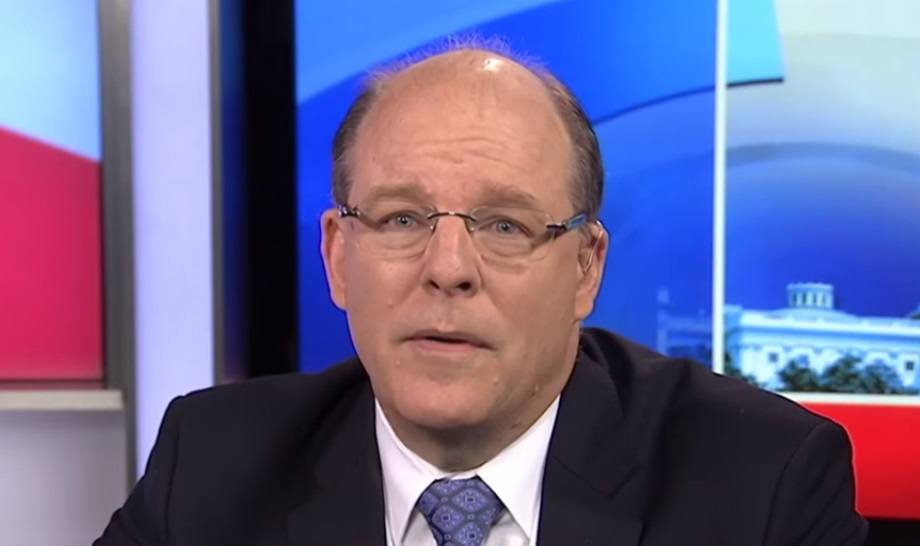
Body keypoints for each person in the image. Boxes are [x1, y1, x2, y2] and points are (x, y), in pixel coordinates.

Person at [95, 43, 867, 546]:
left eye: (504, 225)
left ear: (585, 269)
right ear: (336, 256)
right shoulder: (211, 464)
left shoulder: (764, 484)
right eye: (402, 219)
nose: (448, 268)